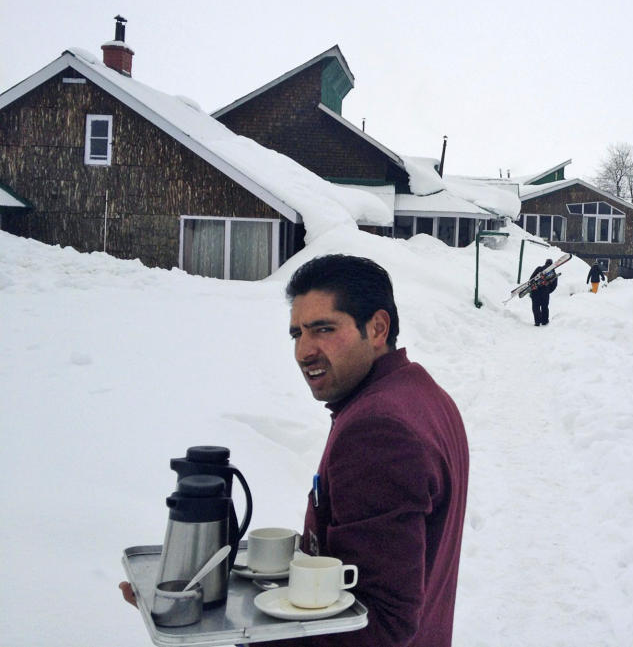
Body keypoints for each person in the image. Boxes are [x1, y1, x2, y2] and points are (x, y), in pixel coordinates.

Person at [121, 255, 470, 647]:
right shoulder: (423, 395)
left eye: (323, 329)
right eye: (297, 334)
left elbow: (380, 624)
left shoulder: (378, 429)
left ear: (377, 328)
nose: (304, 351)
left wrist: (228, 635)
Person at [529, 258, 558, 326]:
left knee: (536, 306)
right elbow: (554, 285)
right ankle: (544, 321)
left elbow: (531, 279)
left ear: (545, 263)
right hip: (545, 292)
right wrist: (548, 291)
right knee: (544, 307)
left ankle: (537, 321)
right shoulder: (553, 273)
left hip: (535, 291)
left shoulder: (539, 269)